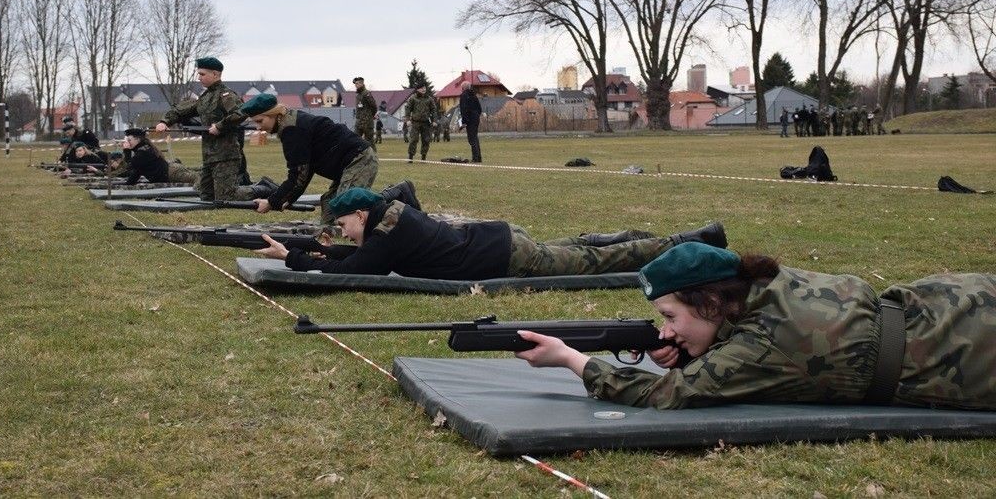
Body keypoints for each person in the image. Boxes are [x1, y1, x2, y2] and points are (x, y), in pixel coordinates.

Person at [515, 241, 996, 411]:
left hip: (967, 357)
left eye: (670, 316)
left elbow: (663, 396)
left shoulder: (762, 345)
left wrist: (570, 359)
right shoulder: (770, 286)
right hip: (957, 299)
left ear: (708, 300)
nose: (665, 331)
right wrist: (694, 348)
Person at [255, 187, 728, 280]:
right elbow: (352, 254)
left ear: (360, 215)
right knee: (584, 246)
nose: (343, 233)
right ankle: (654, 235)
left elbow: (356, 269)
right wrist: (300, 246)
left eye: (344, 225)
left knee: (596, 262)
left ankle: (693, 240)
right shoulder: (392, 213)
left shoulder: (387, 236)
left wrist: (291, 259)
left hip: (506, 257)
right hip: (501, 239)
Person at [239, 93, 379, 224]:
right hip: (350, 161)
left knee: (345, 205)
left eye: (259, 121)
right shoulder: (291, 122)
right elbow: (305, 170)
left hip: (359, 159)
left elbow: (298, 175)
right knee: (330, 203)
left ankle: (383, 220)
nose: (258, 127)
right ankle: (329, 233)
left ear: (273, 114)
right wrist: (286, 199)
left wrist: (271, 202)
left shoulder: (292, 129)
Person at [154, 57, 267, 202]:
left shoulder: (226, 95)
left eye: (202, 74)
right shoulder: (205, 97)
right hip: (209, 155)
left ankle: (263, 188)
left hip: (226, 155)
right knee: (206, 195)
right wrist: (165, 121)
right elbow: (183, 110)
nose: (198, 77)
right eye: (199, 74)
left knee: (226, 197)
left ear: (215, 74)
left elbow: (240, 113)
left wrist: (220, 126)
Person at [121, 128, 198, 185]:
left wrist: (127, 150)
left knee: (198, 179)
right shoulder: (143, 148)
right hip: (170, 171)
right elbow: (138, 170)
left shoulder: (143, 152)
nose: (127, 142)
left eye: (129, 140)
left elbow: (130, 166)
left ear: (138, 140)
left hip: (172, 173)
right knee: (198, 174)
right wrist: (128, 184)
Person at [406, 84, 437, 162]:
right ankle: (410, 157)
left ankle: (423, 157)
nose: (423, 89)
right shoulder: (413, 98)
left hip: (426, 122)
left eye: (424, 88)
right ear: (417, 89)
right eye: (421, 88)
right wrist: (408, 119)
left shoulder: (429, 99)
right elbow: (408, 109)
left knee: (426, 140)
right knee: (414, 139)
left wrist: (434, 120)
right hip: (415, 122)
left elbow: (434, 110)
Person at [459, 81, 483, 162]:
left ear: (463, 88)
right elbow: (479, 108)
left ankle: (475, 158)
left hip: (469, 119)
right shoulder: (474, 95)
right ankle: (478, 157)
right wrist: (476, 116)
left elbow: (463, 109)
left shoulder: (463, 96)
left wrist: (464, 122)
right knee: (475, 138)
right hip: (476, 118)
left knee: (471, 139)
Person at [352, 77, 377, 150]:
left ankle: (373, 158)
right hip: (359, 121)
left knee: (369, 141)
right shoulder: (358, 95)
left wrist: (370, 116)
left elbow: (374, 106)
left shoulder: (366, 93)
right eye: (355, 84)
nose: (355, 85)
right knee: (355, 139)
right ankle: (356, 156)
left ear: (361, 84)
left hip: (367, 122)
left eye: (357, 83)